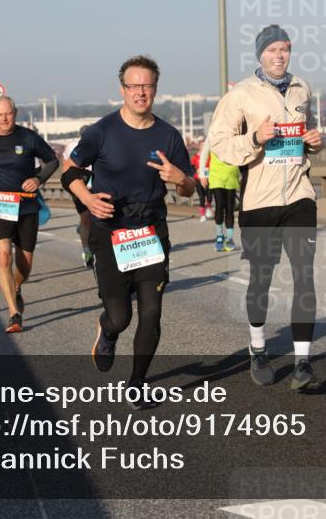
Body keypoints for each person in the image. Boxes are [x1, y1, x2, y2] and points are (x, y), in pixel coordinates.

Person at [62, 55, 195, 410]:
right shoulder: (102, 131)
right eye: (133, 86)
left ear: (155, 89)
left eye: (147, 85)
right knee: (121, 316)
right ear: (122, 90)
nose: (140, 92)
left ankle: (137, 382)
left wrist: (181, 180)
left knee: (151, 312)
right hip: (110, 231)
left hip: (151, 230)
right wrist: (88, 198)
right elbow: (69, 171)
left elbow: (190, 187)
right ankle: (107, 331)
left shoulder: (168, 135)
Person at [209, 24, 324, 390]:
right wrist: (255, 138)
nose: (279, 55)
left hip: (299, 196)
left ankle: (303, 362)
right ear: (260, 54)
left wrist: (313, 142)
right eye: (273, 49)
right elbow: (220, 144)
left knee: (304, 275)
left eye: (285, 48)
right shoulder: (241, 95)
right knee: (262, 277)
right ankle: (258, 348)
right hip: (259, 202)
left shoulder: (302, 88)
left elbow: (307, 136)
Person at [0, 96, 59, 333]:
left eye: (8, 113)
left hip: (26, 206)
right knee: (3, 257)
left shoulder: (28, 137)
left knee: (25, 264)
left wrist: (38, 178)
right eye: (0, 115)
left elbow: (52, 161)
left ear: (15, 113)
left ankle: (16, 285)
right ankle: (14, 313)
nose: (5, 118)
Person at [199, 135, 240, 252]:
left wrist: (241, 174)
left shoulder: (235, 133)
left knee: (230, 209)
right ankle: (219, 237)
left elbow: (242, 152)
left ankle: (230, 238)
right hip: (216, 176)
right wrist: (202, 175)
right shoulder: (212, 135)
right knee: (219, 206)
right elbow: (204, 155)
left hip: (231, 175)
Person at [63, 127, 95, 268]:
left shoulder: (101, 143)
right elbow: (65, 165)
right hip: (80, 185)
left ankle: (85, 230)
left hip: (97, 185)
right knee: (86, 217)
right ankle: (87, 252)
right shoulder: (72, 147)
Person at [191, 149, 214, 221]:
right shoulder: (195, 157)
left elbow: (213, 166)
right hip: (199, 179)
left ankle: (208, 207)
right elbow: (191, 167)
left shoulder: (209, 156)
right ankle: (203, 215)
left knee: (209, 197)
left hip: (208, 179)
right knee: (202, 197)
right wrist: (196, 171)